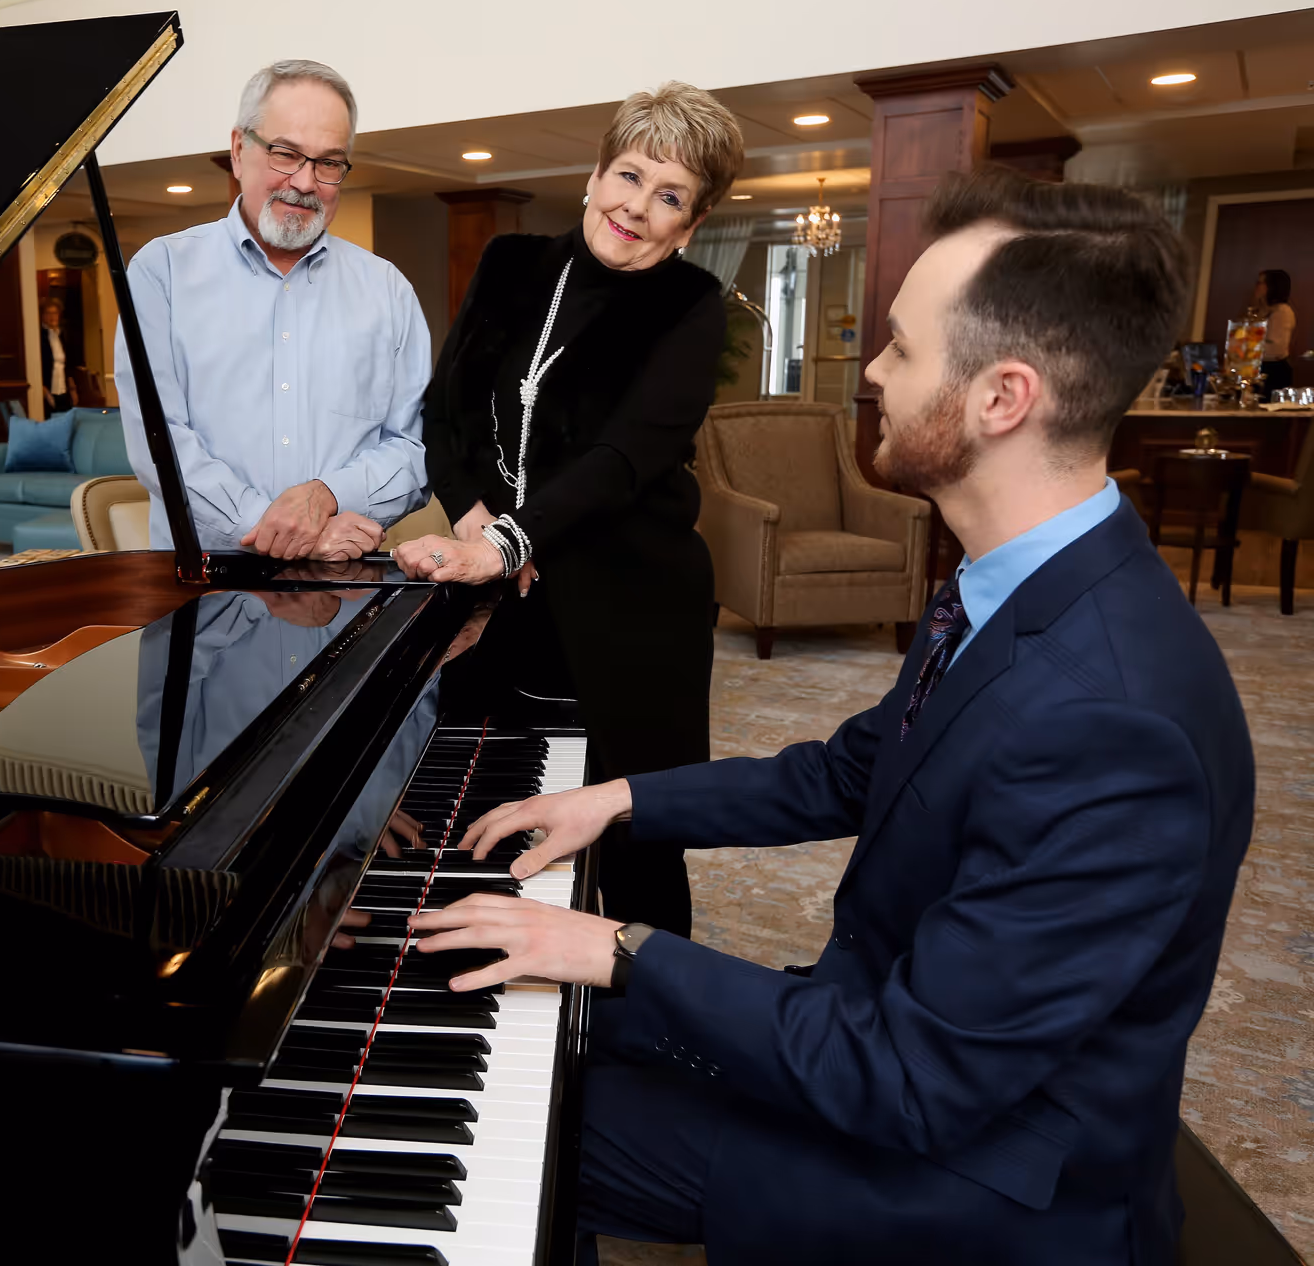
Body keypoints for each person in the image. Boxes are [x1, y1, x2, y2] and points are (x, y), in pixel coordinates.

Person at [411, 167, 1254, 1264]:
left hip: (980, 1174)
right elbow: (848, 771)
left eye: (902, 348)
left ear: (1002, 399)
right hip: (900, 1047)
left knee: (517, 1116)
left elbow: (911, 1080)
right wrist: (615, 799)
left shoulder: (1112, 721)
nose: (873, 370)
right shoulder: (1016, 586)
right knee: (538, 1019)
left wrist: (615, 942)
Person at [393, 81, 744, 937]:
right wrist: (475, 512)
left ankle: (645, 1009)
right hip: (502, 598)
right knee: (481, 800)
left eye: (669, 197)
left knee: (633, 833)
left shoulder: (692, 306)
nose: (637, 207)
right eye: (628, 176)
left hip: (632, 604)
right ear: (594, 175)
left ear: (690, 225)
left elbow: (625, 456)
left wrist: (513, 538)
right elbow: (446, 411)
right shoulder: (510, 263)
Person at [115, 60, 429, 560]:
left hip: (341, 590)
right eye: (285, 154)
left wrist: (327, 495)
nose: (305, 182)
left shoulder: (387, 290)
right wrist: (273, 528)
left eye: (329, 163)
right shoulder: (163, 273)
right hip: (203, 596)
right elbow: (161, 441)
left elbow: (414, 448)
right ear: (239, 151)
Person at [1254, 267, 1296, 392]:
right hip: (1260, 367)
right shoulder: (1263, 310)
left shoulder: (1282, 311)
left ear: (1272, 286)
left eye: (1260, 283)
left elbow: (1276, 348)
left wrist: (1249, 349)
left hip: (1273, 371)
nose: (1256, 286)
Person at [37, 296, 73, 414]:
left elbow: (67, 364)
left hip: (63, 388)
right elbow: (37, 365)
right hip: (47, 390)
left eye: (55, 313)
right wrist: (43, 389)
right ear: (43, 316)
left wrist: (72, 389)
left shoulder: (61, 335)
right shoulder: (39, 336)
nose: (53, 316)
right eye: (49, 313)